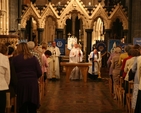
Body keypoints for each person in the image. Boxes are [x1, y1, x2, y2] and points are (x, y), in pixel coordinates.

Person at [12, 41, 42, 113]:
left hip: (21, 83)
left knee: (22, 105)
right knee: (32, 105)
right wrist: (34, 78)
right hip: (32, 83)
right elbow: (39, 72)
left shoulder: (15, 59)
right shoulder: (33, 58)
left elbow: (13, 73)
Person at [0, 43, 10, 113]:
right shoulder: (4, 58)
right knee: (1, 107)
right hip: (2, 86)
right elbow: (7, 74)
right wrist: (6, 83)